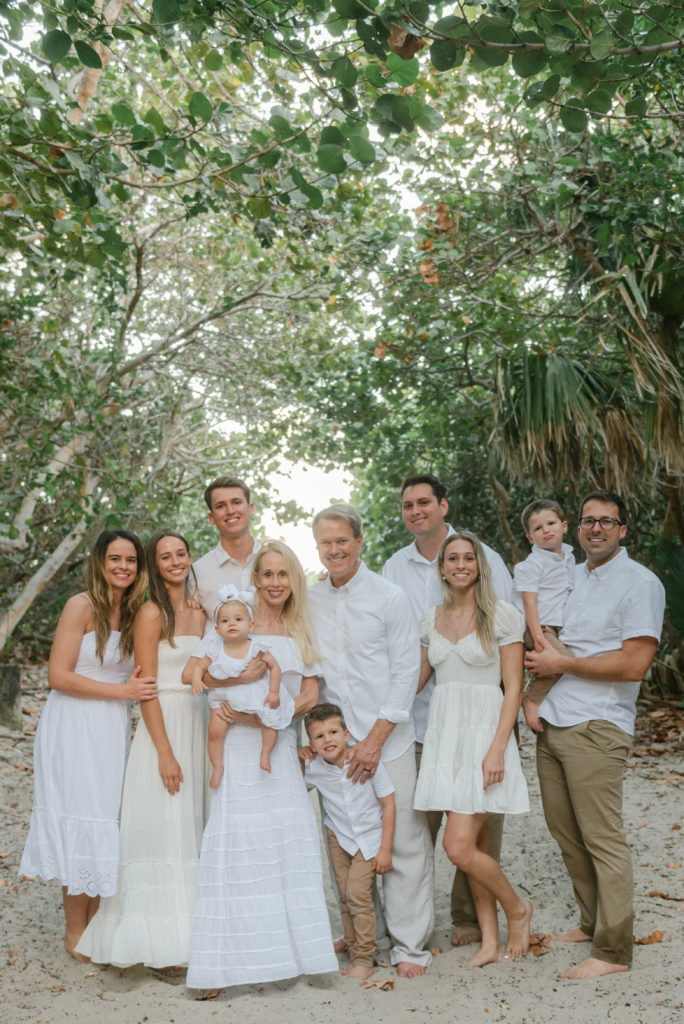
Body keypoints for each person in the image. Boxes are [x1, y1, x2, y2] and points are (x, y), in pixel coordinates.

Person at [185, 540, 337, 995]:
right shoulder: (229, 622)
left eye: (282, 574)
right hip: (231, 748)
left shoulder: (300, 630)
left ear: (293, 580)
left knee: (282, 849)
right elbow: (197, 673)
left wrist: (259, 714)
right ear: (256, 580)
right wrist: (237, 681)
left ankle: (288, 957)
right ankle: (222, 966)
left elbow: (309, 696)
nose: (274, 582)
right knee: (236, 847)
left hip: (274, 745)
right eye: (266, 574)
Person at [526, 490, 665, 980]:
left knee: (602, 838)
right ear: (576, 527)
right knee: (567, 833)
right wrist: (535, 694)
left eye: (607, 521)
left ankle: (612, 950)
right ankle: (591, 921)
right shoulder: (570, 575)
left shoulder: (639, 584)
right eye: (588, 521)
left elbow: (634, 664)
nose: (596, 529)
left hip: (597, 726)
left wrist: (563, 664)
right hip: (555, 719)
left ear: (623, 529)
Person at [382, 473, 513, 948]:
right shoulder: (393, 568)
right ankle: (412, 927)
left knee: (477, 832)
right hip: (425, 726)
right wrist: (381, 719)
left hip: (481, 724)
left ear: (443, 505)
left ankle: (472, 921)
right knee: (420, 829)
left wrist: (500, 736)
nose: (416, 511)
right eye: (407, 505)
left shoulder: (484, 557)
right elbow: (399, 652)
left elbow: (509, 655)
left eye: (424, 503)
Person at [309, 504, 434, 979]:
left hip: (388, 739)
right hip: (336, 749)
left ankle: (409, 947)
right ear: (317, 548)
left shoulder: (390, 597)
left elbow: (407, 673)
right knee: (346, 843)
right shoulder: (310, 599)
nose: (335, 549)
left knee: (401, 844)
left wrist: (376, 738)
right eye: (326, 543)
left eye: (343, 540)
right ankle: (369, 939)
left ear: (360, 542)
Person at [75, 529, 210, 970]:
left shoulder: (203, 611)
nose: (175, 561)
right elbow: (146, 689)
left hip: (199, 722)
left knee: (193, 826)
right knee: (164, 827)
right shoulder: (151, 613)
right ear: (154, 565)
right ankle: (157, 943)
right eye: (164, 556)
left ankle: (193, 934)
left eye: (181, 553)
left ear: (190, 558)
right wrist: (165, 754)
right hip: (164, 727)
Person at [19, 529, 156, 960]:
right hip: (74, 724)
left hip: (111, 728)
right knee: (81, 817)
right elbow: (57, 677)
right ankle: (75, 929)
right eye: (115, 559)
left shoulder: (136, 611)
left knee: (104, 820)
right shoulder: (82, 605)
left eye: (131, 560)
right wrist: (124, 696)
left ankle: (98, 923)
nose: (123, 567)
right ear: (99, 562)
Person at [414, 530, 532, 967]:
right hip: (446, 741)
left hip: (485, 738)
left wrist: (498, 749)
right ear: (441, 567)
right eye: (452, 558)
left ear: (479, 566)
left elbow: (514, 688)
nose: (460, 565)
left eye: (468, 558)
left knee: (459, 847)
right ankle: (489, 940)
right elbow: (417, 681)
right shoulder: (430, 619)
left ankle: (517, 910)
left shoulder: (502, 617)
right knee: (477, 844)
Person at [302, 703, 396, 981]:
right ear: (312, 744)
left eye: (333, 732)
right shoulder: (315, 769)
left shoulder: (366, 760)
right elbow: (294, 786)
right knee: (344, 896)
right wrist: (298, 756)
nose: (327, 739)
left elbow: (389, 805)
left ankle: (364, 957)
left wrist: (385, 850)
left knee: (357, 895)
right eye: (319, 737)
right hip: (338, 837)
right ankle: (352, 943)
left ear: (346, 733)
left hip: (369, 839)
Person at [187, 584, 293, 781]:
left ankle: (265, 754)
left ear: (250, 625)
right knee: (214, 732)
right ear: (217, 629)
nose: (231, 624)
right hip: (225, 698)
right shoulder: (215, 648)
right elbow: (199, 667)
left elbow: (275, 667)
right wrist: (196, 680)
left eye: (238, 619)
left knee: (270, 721)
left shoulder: (255, 646)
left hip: (254, 695)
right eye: (225, 621)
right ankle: (217, 766)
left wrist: (274, 692)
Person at [513, 498, 575, 733]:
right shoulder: (531, 565)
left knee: (562, 662)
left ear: (564, 526)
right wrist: (538, 637)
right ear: (530, 538)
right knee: (563, 662)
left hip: (554, 626)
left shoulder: (568, 556)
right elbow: (529, 602)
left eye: (551, 523)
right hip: (537, 626)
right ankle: (531, 699)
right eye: (538, 528)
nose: (546, 530)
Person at [193, 476, 260, 616]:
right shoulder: (197, 573)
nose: (230, 511)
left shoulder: (279, 563)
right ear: (211, 518)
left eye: (236, 502)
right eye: (220, 506)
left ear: (250, 509)